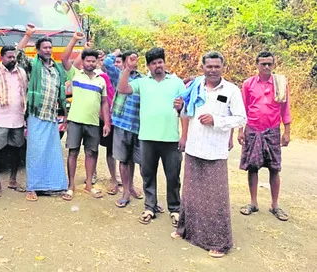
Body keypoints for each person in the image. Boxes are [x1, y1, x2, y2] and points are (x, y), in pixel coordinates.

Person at [172, 51, 247, 258]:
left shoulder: (231, 90)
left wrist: (217, 120)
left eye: (217, 66)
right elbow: (187, 112)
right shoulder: (194, 87)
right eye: (209, 66)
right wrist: (179, 108)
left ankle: (218, 242)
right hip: (195, 148)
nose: (213, 70)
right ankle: (186, 231)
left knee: (215, 198)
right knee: (191, 194)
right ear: (202, 67)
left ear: (223, 67)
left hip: (215, 150)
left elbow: (241, 118)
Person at [118, 48, 185, 224]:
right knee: (148, 174)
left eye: (160, 62)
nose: (158, 66)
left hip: (170, 138)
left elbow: (185, 110)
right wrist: (128, 68)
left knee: (173, 175)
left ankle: (175, 209)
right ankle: (150, 207)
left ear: (164, 63)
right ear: (148, 66)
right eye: (154, 63)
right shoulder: (142, 82)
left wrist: (183, 132)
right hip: (147, 137)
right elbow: (123, 88)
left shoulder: (176, 82)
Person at [16, 24, 68, 202]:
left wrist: (65, 113)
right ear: (37, 50)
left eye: (50, 47)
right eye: (44, 47)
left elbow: (60, 92)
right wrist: (27, 35)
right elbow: (17, 55)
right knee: (35, 152)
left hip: (51, 115)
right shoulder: (32, 65)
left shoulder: (57, 68)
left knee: (52, 151)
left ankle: (55, 185)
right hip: (36, 115)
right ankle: (32, 188)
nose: (48, 50)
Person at [238, 51, 292, 221]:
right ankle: (253, 203)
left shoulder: (280, 84)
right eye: (263, 64)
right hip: (253, 130)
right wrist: (241, 131)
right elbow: (243, 109)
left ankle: (275, 205)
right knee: (252, 167)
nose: (266, 67)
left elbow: (285, 109)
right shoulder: (248, 84)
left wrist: (287, 132)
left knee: (274, 168)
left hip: (272, 130)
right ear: (257, 65)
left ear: (273, 64)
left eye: (269, 63)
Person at [60, 31, 111, 201]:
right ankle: (71, 186)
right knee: (73, 152)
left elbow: (104, 103)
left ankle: (89, 185)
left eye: (93, 61)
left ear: (97, 62)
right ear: (83, 61)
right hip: (75, 121)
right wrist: (75, 40)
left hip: (93, 123)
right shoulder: (75, 74)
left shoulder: (101, 80)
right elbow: (64, 59)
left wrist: (106, 123)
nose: (90, 63)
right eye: (87, 60)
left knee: (92, 153)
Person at [0, 45, 28, 198]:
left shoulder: (21, 72)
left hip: (17, 118)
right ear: (1, 57)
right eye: (9, 57)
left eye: (13, 57)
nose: (12, 59)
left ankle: (13, 180)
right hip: (0, 119)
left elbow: (25, 91)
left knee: (17, 150)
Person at [103, 49, 145, 208]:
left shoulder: (144, 79)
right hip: (121, 123)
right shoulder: (118, 74)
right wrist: (116, 53)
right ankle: (125, 192)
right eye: (130, 59)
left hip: (138, 125)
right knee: (123, 159)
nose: (134, 62)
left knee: (135, 160)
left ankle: (131, 186)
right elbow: (107, 62)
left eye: (136, 59)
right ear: (126, 61)